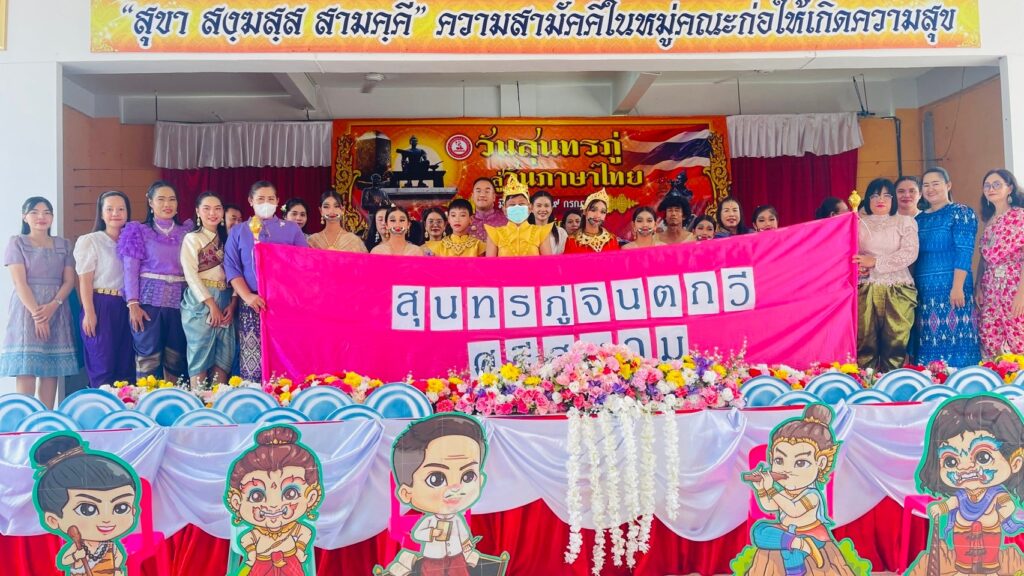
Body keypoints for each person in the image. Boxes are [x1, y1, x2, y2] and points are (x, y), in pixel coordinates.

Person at [744, 404, 862, 575]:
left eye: (800, 463)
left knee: (790, 553)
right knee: (760, 531)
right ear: (771, 458)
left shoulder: (812, 496)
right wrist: (762, 489)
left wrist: (773, 490)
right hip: (789, 534)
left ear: (820, 463)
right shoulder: (786, 492)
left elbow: (793, 510)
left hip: (812, 535)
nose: (787, 469)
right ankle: (797, 543)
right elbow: (769, 506)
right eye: (779, 461)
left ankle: (797, 559)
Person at [381, 414, 505, 576]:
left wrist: (468, 549)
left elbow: (464, 536)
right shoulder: (430, 521)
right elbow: (417, 534)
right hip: (434, 556)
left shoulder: (457, 520)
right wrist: (432, 533)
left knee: (460, 572)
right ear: (406, 493)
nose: (455, 488)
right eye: (436, 479)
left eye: (468, 476)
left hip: (456, 555)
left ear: (480, 481)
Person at [914, 395, 1024, 575]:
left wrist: (999, 516)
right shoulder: (962, 496)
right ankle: (963, 570)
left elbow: (1008, 505)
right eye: (951, 461)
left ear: (1015, 462)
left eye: (983, 457)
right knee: (962, 557)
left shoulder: (996, 495)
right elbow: (950, 504)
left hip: (990, 534)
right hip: (961, 533)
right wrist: (939, 508)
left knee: (989, 559)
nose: (965, 468)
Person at [225, 180, 307, 383]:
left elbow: (303, 263)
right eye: (260, 199)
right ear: (250, 201)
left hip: (285, 304)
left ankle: (285, 397)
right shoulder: (239, 231)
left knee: (286, 358)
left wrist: (288, 294)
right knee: (252, 357)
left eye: (271, 199)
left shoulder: (291, 229)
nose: (266, 203)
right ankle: (253, 397)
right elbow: (232, 267)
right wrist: (247, 296)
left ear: (278, 201)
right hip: (252, 302)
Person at [0, 197, 78, 408]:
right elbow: (19, 282)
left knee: (51, 367)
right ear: (25, 217)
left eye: (46, 212)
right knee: (27, 367)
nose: (41, 217)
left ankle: (46, 418)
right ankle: (25, 419)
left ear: (52, 217)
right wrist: (38, 315)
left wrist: (53, 306)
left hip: (57, 308)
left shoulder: (64, 245)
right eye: (34, 212)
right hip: (26, 309)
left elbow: (69, 281)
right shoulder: (17, 242)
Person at [31, 433, 140, 576]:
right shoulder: (78, 546)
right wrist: (76, 556)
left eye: (121, 508)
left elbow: (118, 558)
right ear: (53, 520)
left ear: (133, 510)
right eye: (87, 509)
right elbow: (64, 561)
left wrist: (117, 570)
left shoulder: (110, 546)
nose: (106, 519)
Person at [225, 426, 322, 576]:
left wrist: (300, 548)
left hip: (291, 563)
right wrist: (251, 553)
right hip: (261, 565)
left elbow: (306, 532)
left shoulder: (294, 528)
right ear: (236, 502)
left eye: (290, 493)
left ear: (311, 497)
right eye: (256, 496)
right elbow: (245, 539)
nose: (273, 505)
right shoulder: (257, 532)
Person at [117, 181, 190, 381]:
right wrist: (133, 304)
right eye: (161, 199)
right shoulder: (138, 231)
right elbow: (130, 270)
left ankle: (173, 396)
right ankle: (146, 397)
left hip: (180, 303)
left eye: (172, 199)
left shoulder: (187, 232)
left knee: (176, 355)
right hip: (147, 303)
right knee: (148, 356)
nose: (167, 204)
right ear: (150, 202)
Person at [914, 167, 981, 367]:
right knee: (928, 341)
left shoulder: (961, 213)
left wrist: (957, 287)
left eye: (936, 184)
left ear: (948, 185)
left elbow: (964, 251)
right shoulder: (918, 220)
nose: (930, 189)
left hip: (954, 287)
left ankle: (963, 383)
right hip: (926, 292)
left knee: (959, 338)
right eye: (926, 185)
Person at [853, 178, 919, 372]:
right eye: (875, 195)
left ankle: (892, 381)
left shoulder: (905, 221)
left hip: (898, 288)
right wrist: (859, 266)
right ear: (867, 199)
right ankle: (866, 383)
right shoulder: (858, 224)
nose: (880, 200)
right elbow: (850, 254)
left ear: (893, 199)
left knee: (896, 342)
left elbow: (910, 253)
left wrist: (875, 262)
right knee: (865, 342)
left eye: (886, 195)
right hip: (865, 287)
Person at [74, 190, 134, 388]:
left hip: (127, 306)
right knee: (102, 364)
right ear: (101, 213)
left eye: (120, 209)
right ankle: (101, 405)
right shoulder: (90, 241)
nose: (115, 213)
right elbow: (85, 281)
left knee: (126, 367)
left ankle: (125, 407)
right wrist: (89, 312)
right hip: (100, 304)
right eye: (109, 209)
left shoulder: (133, 239)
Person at [180, 192, 236, 386]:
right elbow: (191, 274)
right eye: (207, 208)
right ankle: (199, 400)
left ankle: (219, 399)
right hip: (201, 300)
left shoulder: (228, 239)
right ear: (198, 211)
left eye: (217, 209)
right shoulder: (192, 238)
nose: (213, 213)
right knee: (200, 352)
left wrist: (233, 303)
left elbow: (237, 273)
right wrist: (211, 305)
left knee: (224, 355)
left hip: (226, 297)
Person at [978, 169, 1024, 357]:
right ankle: (999, 372)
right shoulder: (989, 221)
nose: (991, 189)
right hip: (990, 287)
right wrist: (978, 288)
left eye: (997, 184)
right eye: (987, 186)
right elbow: (983, 259)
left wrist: (1021, 294)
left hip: (1014, 283)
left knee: (1018, 333)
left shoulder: (1020, 216)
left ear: (1010, 188)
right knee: (990, 336)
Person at [485, 175, 553, 257]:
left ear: (530, 208)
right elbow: (490, 264)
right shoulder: (495, 234)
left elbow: (548, 263)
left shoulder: (541, 232)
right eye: (512, 204)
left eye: (521, 204)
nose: (517, 207)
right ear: (504, 210)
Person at [564, 189, 621, 253]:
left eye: (603, 212)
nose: (598, 215)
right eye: (593, 210)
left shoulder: (612, 240)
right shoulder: (572, 240)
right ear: (585, 211)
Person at [468, 177, 508, 241]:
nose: (482, 195)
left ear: (494, 197)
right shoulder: (466, 221)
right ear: (472, 196)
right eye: (478, 191)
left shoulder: (506, 221)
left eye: (487, 191)